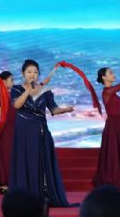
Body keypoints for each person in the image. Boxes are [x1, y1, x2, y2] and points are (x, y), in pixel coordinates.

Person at [9, 59, 74, 207]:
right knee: (24, 162)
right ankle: (23, 196)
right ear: (23, 73)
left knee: (39, 162)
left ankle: (40, 195)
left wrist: (65, 109)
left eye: (35, 72)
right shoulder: (16, 89)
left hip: (40, 131)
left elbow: (54, 110)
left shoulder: (46, 91)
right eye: (29, 72)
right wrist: (28, 90)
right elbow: (17, 105)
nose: (32, 75)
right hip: (23, 132)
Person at [0, 68, 59, 194]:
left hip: (17, 126)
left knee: (16, 155)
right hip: (9, 128)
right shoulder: (5, 95)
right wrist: (40, 85)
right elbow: (22, 100)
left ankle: (16, 182)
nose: (13, 82)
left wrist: (41, 84)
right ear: (4, 82)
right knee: (8, 156)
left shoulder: (11, 93)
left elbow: (28, 95)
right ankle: (7, 183)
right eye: (11, 80)